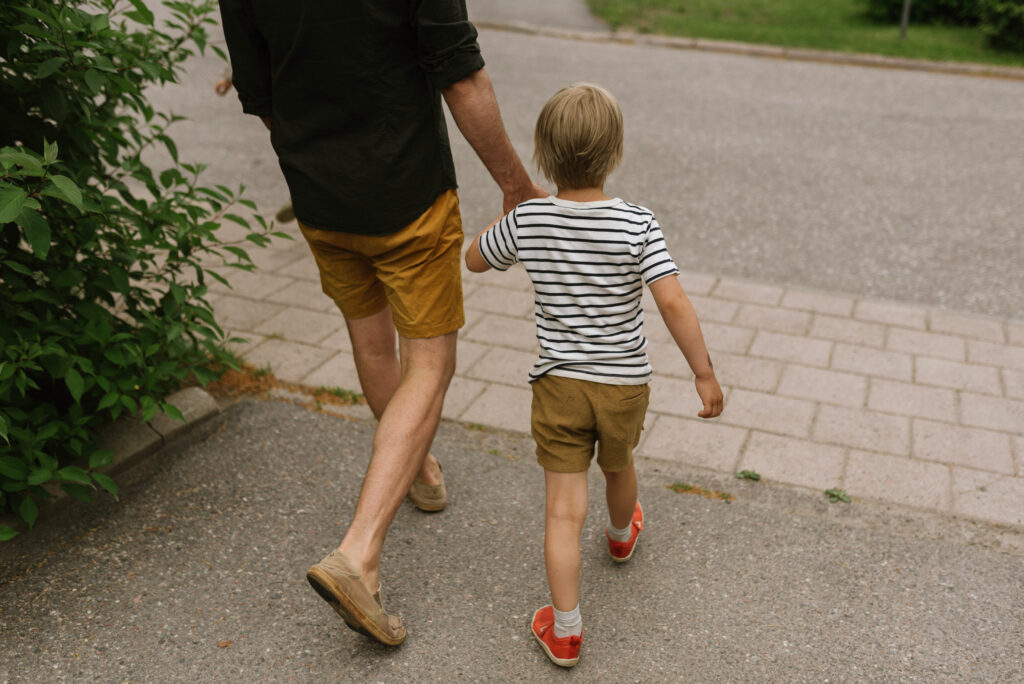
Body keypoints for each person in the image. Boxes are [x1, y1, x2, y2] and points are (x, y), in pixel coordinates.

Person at [218, 0, 543, 646]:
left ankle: (418, 471)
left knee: (372, 346)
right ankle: (359, 556)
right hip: (408, 193)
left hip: (319, 198)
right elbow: (461, 76)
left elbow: (259, 94)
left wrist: (317, 160)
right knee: (430, 364)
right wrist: (516, 186)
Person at [465, 83, 724, 667]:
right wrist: (703, 374)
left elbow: (473, 258)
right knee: (619, 462)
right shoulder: (637, 223)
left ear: (542, 155)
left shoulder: (529, 220)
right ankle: (620, 535)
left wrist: (506, 219)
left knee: (561, 511)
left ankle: (565, 629)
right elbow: (673, 302)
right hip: (624, 384)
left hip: (559, 385)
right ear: (615, 153)